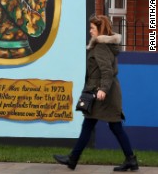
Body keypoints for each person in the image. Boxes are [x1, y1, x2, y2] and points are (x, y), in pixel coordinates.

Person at [53, 15, 138, 171]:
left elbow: (107, 71)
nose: (90, 31)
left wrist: (103, 90)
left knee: (109, 126)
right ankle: (130, 160)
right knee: (104, 126)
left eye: (92, 28)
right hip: (104, 92)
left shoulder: (100, 47)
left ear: (100, 30)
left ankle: (73, 159)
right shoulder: (102, 46)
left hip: (104, 94)